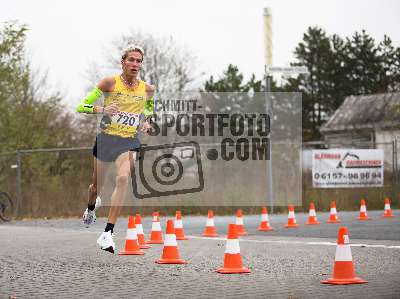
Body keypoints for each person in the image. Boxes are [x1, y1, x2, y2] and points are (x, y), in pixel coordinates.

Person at [76, 44, 155, 253]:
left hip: (129, 141)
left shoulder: (147, 89)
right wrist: (103, 109)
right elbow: (81, 106)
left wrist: (146, 122)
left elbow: (148, 109)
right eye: (131, 60)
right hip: (106, 140)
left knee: (122, 179)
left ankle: (107, 233)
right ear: (123, 62)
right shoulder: (109, 83)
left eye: (139, 61)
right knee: (95, 188)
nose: (135, 64)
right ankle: (91, 207)